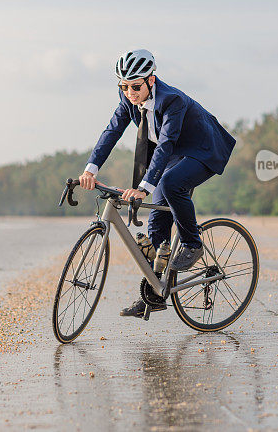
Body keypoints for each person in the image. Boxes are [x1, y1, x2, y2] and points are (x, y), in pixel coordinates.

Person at [79, 49, 236, 318]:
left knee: (172, 183)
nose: (130, 92)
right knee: (155, 223)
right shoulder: (129, 97)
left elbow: (165, 145)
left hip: (202, 149)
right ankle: (154, 292)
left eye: (136, 86)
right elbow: (112, 131)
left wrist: (144, 187)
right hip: (175, 154)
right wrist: (90, 169)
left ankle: (192, 242)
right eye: (124, 86)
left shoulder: (171, 99)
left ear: (151, 80)